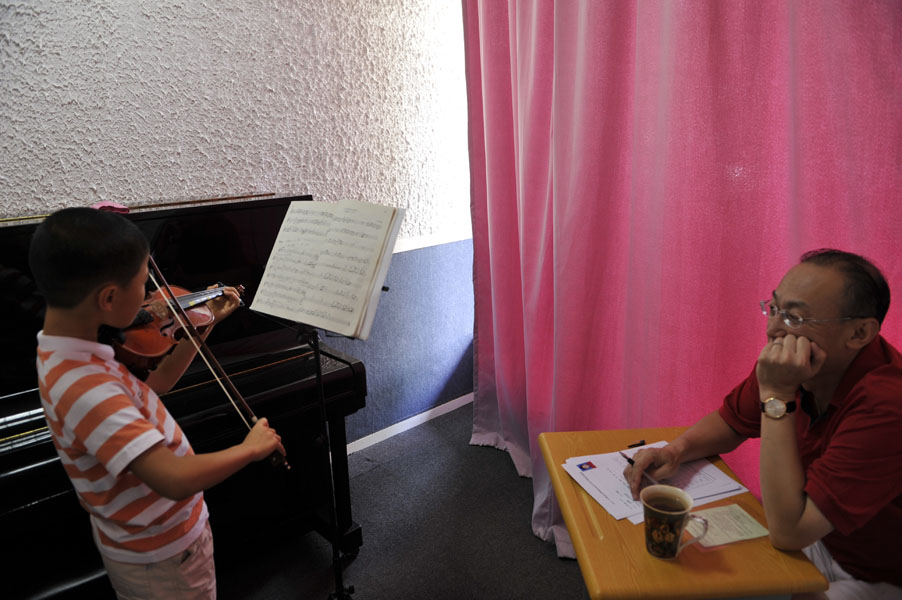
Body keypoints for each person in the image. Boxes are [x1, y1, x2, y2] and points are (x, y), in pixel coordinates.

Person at [29, 207, 286, 599]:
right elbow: (173, 478)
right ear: (109, 298)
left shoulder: (71, 348)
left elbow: (159, 382)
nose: (153, 302)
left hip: (160, 543)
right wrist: (249, 449)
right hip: (163, 558)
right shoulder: (86, 387)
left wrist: (202, 325)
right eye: (143, 286)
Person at [625, 249, 902, 599]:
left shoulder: (887, 404)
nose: (773, 330)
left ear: (859, 332)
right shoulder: (798, 361)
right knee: (682, 571)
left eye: (795, 317)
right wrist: (676, 450)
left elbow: (790, 532)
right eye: (774, 308)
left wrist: (778, 393)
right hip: (817, 537)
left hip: (877, 572)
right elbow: (731, 422)